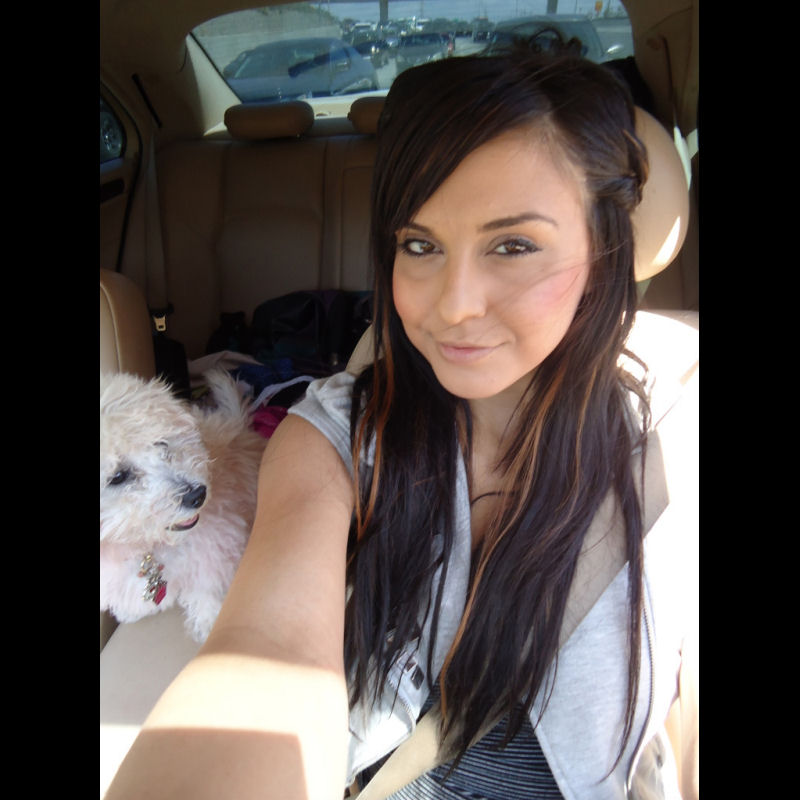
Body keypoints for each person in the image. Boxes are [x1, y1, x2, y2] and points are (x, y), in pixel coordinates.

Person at [106, 44, 698, 800]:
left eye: (514, 245)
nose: (454, 304)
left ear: (604, 248)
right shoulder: (337, 434)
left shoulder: (679, 429)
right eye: (420, 245)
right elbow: (267, 648)